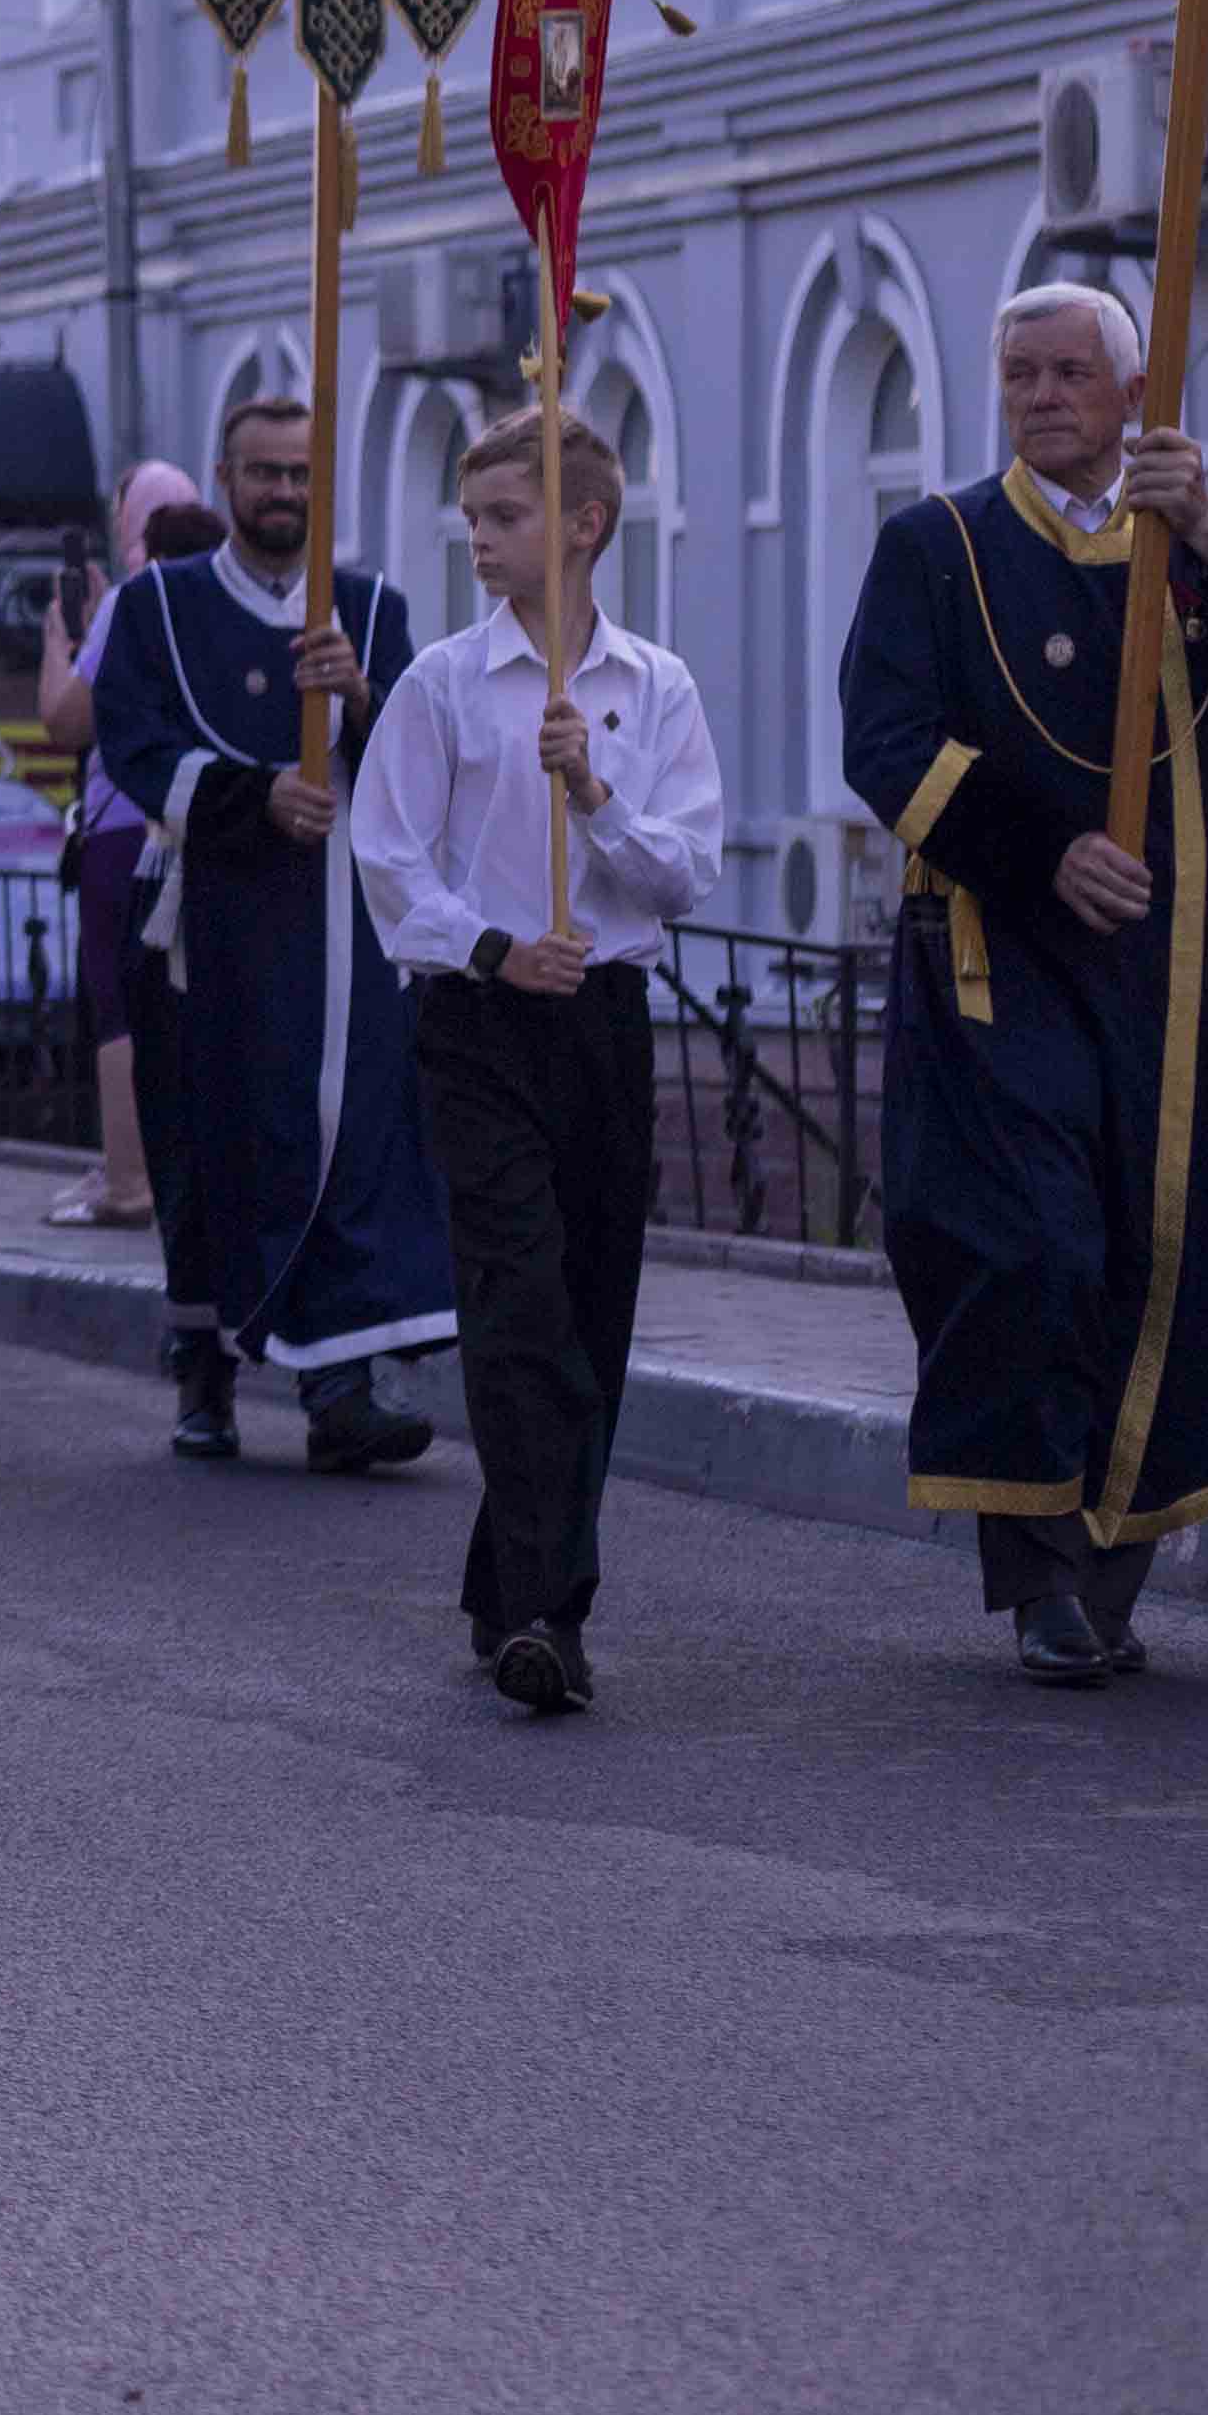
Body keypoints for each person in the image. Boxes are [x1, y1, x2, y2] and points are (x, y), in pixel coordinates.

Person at [848, 283, 1208, 1684]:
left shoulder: (1184, 543)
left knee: (1167, 1261)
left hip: (1186, 979)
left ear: (1129, 395)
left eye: (1071, 373)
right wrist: (1047, 852)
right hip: (1005, 968)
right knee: (1036, 1254)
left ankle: (1109, 1571)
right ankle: (1043, 1576)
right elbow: (886, 746)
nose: (1044, 395)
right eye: (1021, 374)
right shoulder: (938, 546)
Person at [353, 413, 724, 1716]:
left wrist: (597, 797)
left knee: (590, 1314)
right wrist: (494, 946)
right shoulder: (445, 683)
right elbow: (387, 858)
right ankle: (547, 1616)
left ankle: (499, 1576)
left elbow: (686, 869)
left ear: (583, 525)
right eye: (471, 518)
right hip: (481, 1023)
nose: (479, 540)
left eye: (504, 516)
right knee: (517, 1308)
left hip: (604, 1023)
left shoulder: (649, 686)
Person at [85, 395, 448, 1473]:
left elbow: (425, 756)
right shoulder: (159, 607)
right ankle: (206, 1370)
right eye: (263, 472)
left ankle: (339, 1382)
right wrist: (255, 799)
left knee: (344, 1133)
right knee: (208, 1139)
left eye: (301, 472)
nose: (284, 491)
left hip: (340, 925)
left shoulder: (372, 609)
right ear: (226, 478)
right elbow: (133, 742)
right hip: (208, 913)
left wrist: (363, 699)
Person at [43, 468, 215, 1232]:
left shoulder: (131, 599)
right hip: (199, 816)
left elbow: (66, 719)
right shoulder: (213, 588)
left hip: (123, 820)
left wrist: (58, 642)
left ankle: (127, 1179)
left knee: (120, 1004)